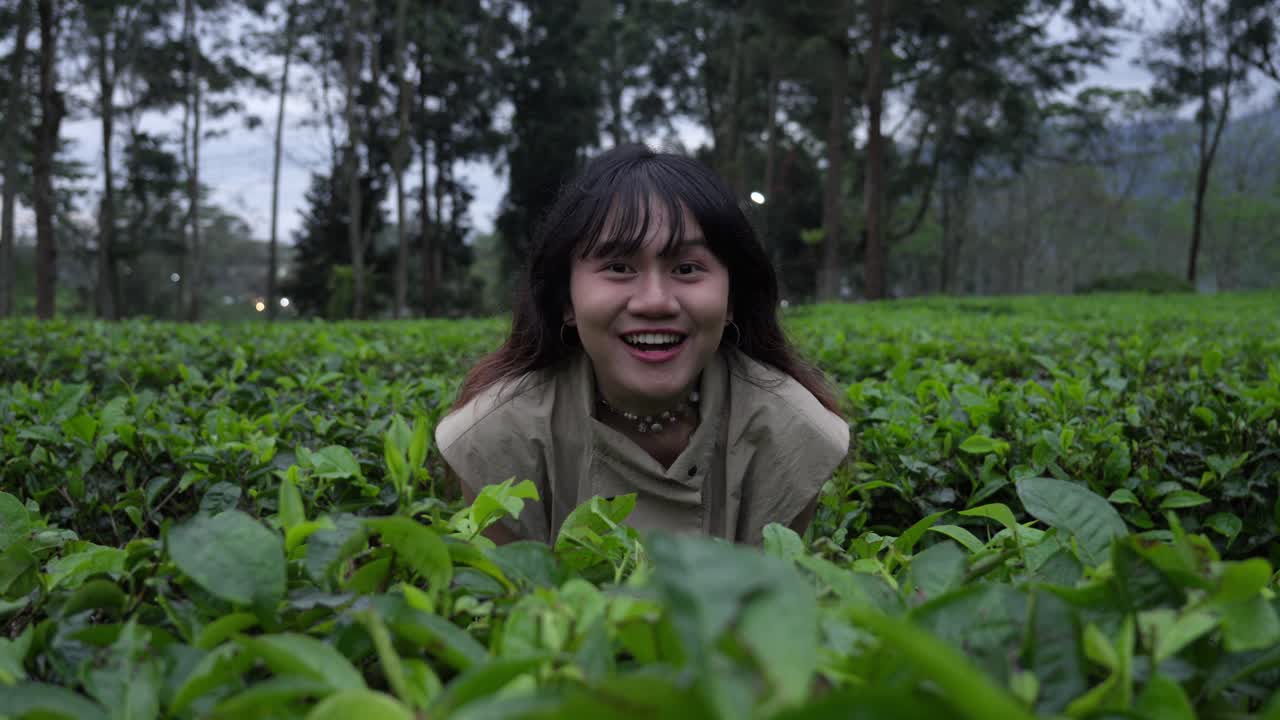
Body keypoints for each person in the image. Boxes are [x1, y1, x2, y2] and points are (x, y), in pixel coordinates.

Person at [435, 144, 849, 546]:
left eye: (687, 268)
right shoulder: (497, 440)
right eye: (618, 267)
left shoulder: (791, 434)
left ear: (731, 301)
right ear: (566, 301)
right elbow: (516, 606)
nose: (655, 302)